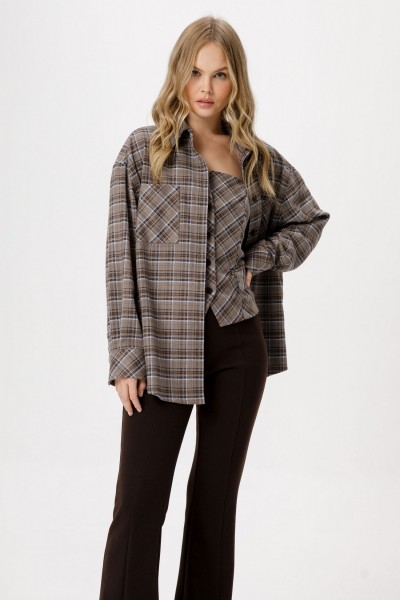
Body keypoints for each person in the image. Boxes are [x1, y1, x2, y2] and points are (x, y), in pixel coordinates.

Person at [99, 15, 330, 600]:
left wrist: (260, 256)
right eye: (196, 72)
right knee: (138, 505)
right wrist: (126, 356)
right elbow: (120, 257)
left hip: (237, 344)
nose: (205, 87)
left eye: (220, 74)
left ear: (236, 82)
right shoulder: (142, 153)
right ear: (178, 74)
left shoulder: (258, 161)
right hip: (161, 349)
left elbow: (309, 219)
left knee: (213, 503)